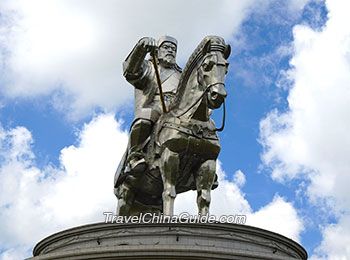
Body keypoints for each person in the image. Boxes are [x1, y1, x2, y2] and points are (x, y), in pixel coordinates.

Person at [122, 35, 182, 173]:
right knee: (146, 116)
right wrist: (141, 48)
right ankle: (134, 156)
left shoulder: (181, 74)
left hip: (178, 110)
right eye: (166, 47)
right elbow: (130, 71)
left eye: (174, 49)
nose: (170, 51)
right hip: (155, 105)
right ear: (157, 51)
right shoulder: (149, 67)